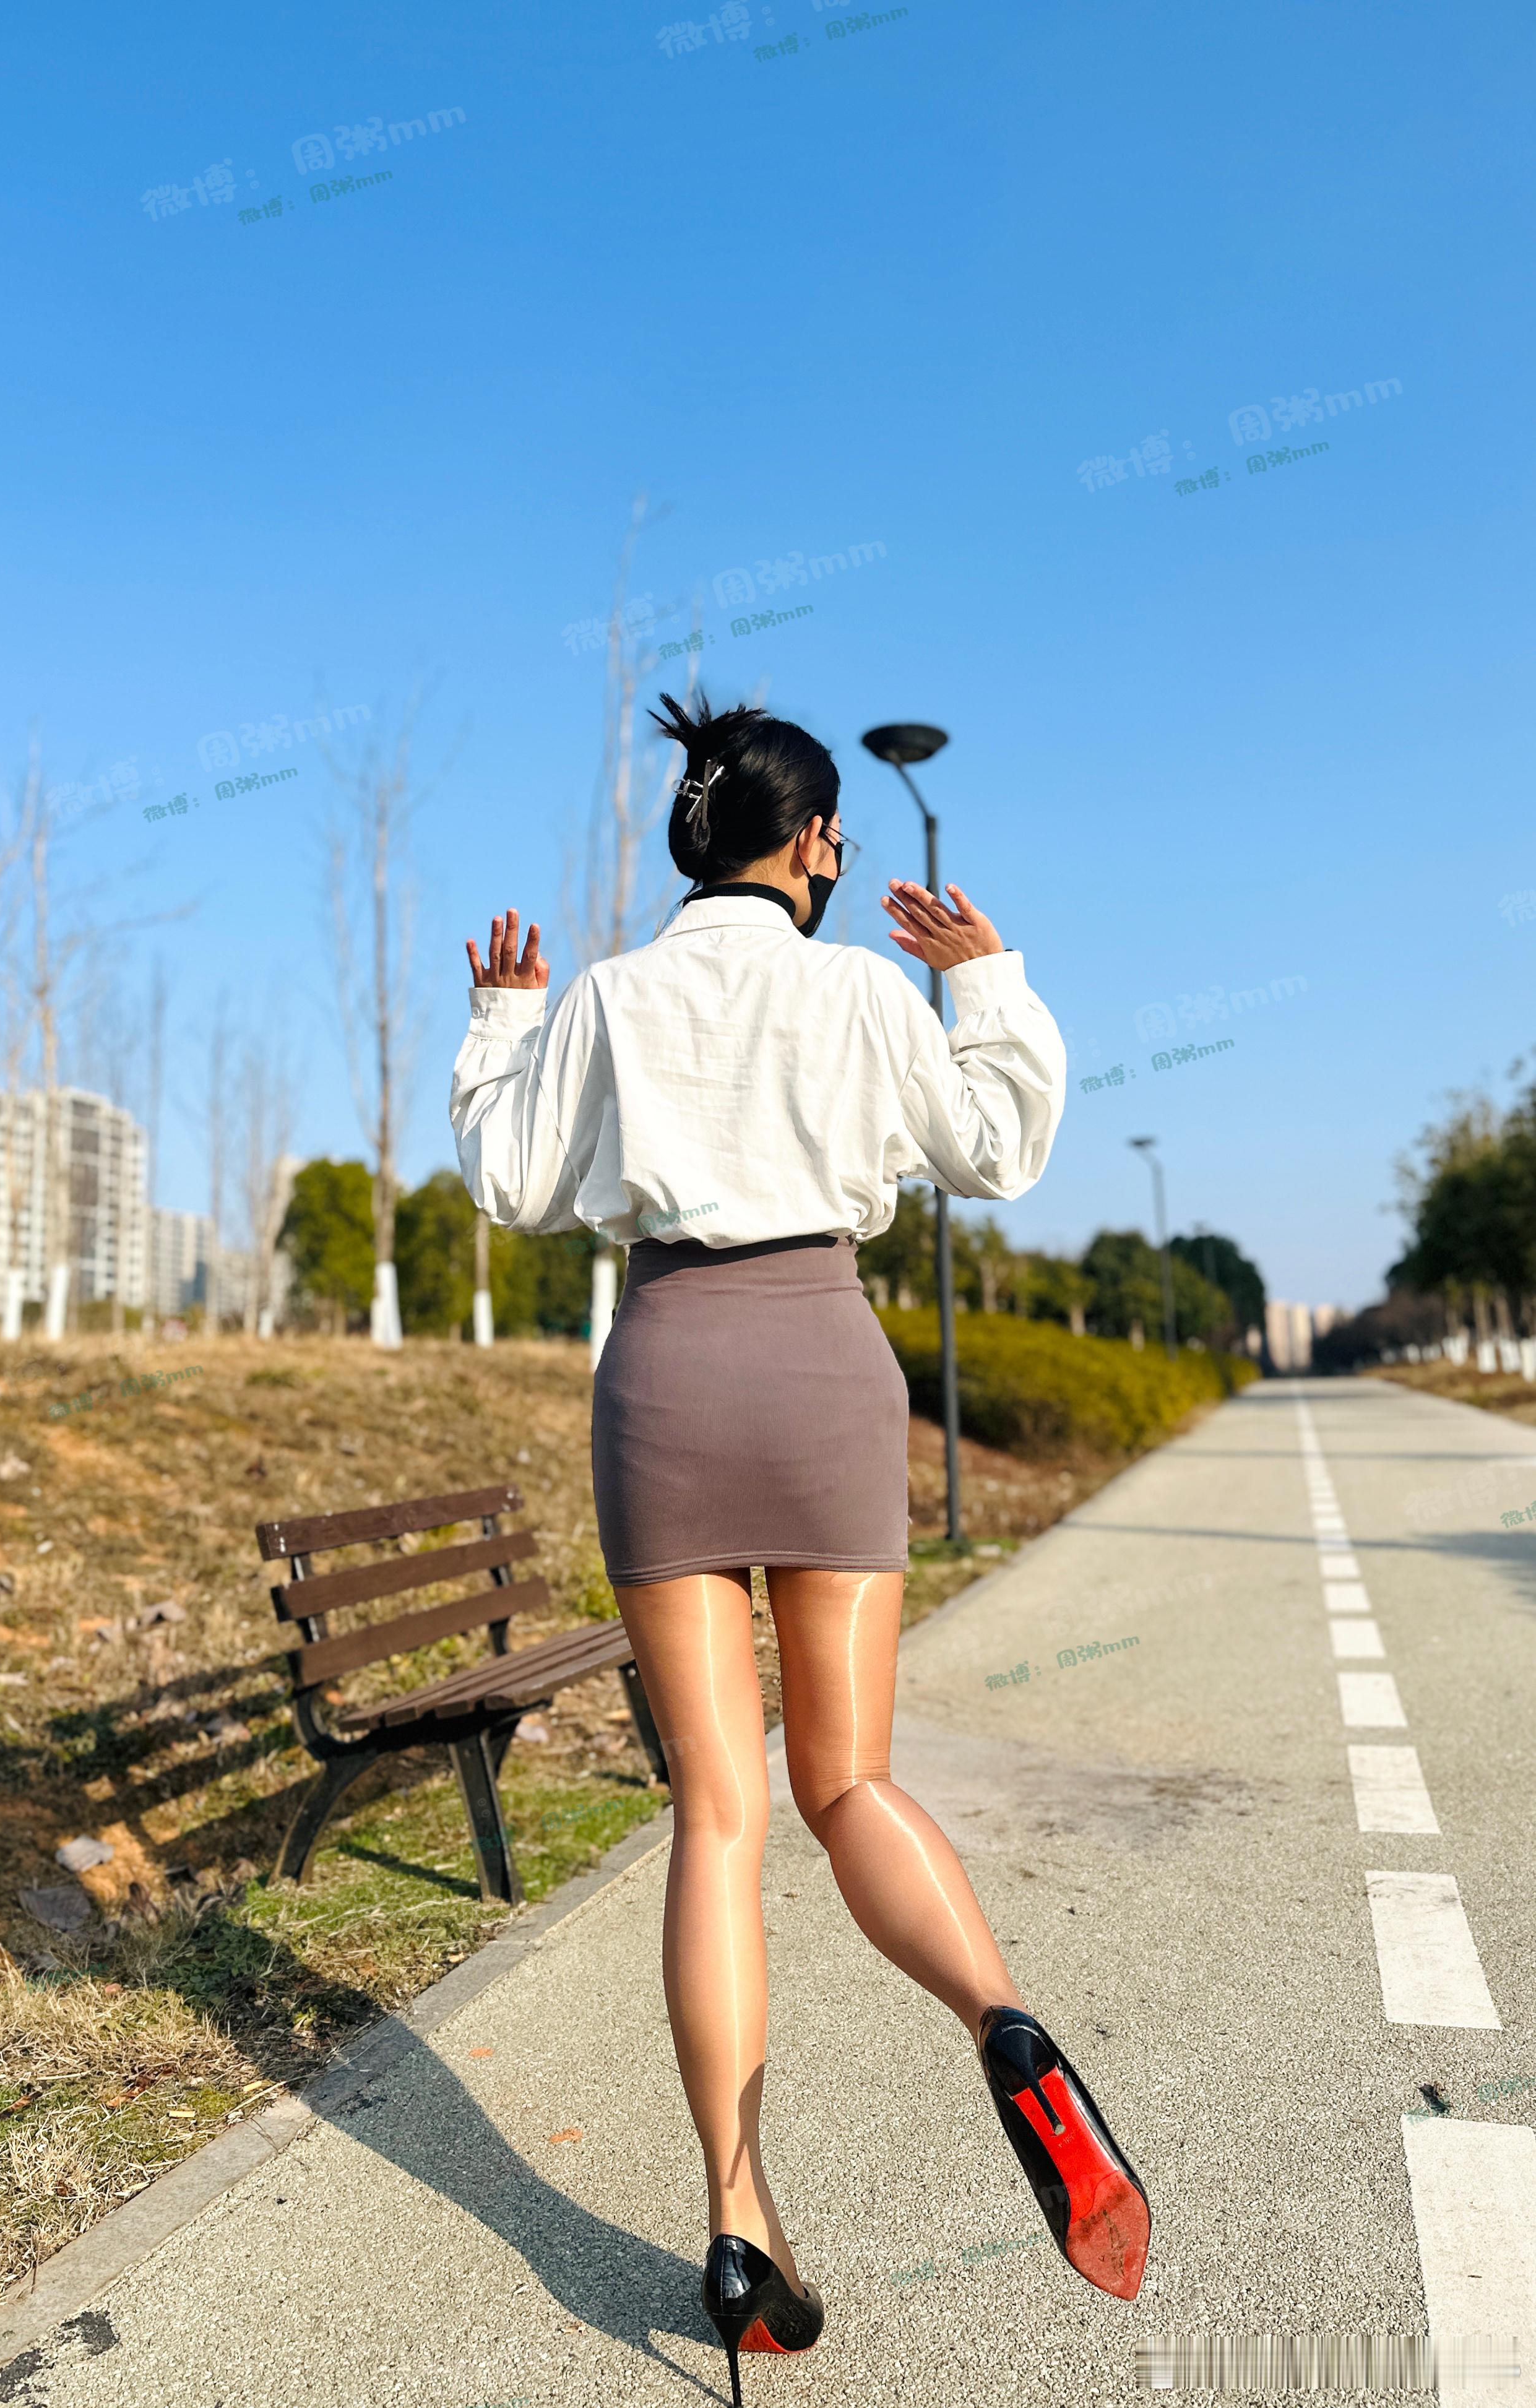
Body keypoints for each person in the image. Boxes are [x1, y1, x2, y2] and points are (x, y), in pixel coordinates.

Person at [452, 693, 1148, 2402]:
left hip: (674, 1369)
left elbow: (517, 1184)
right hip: (827, 1363)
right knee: (847, 1781)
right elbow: (999, 1146)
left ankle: (739, 2214)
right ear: (816, 841)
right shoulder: (860, 988)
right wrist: (982, 977)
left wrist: (500, 1018)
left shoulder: (610, 991)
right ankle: (1002, 2019)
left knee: (720, 1807)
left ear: (694, 836)